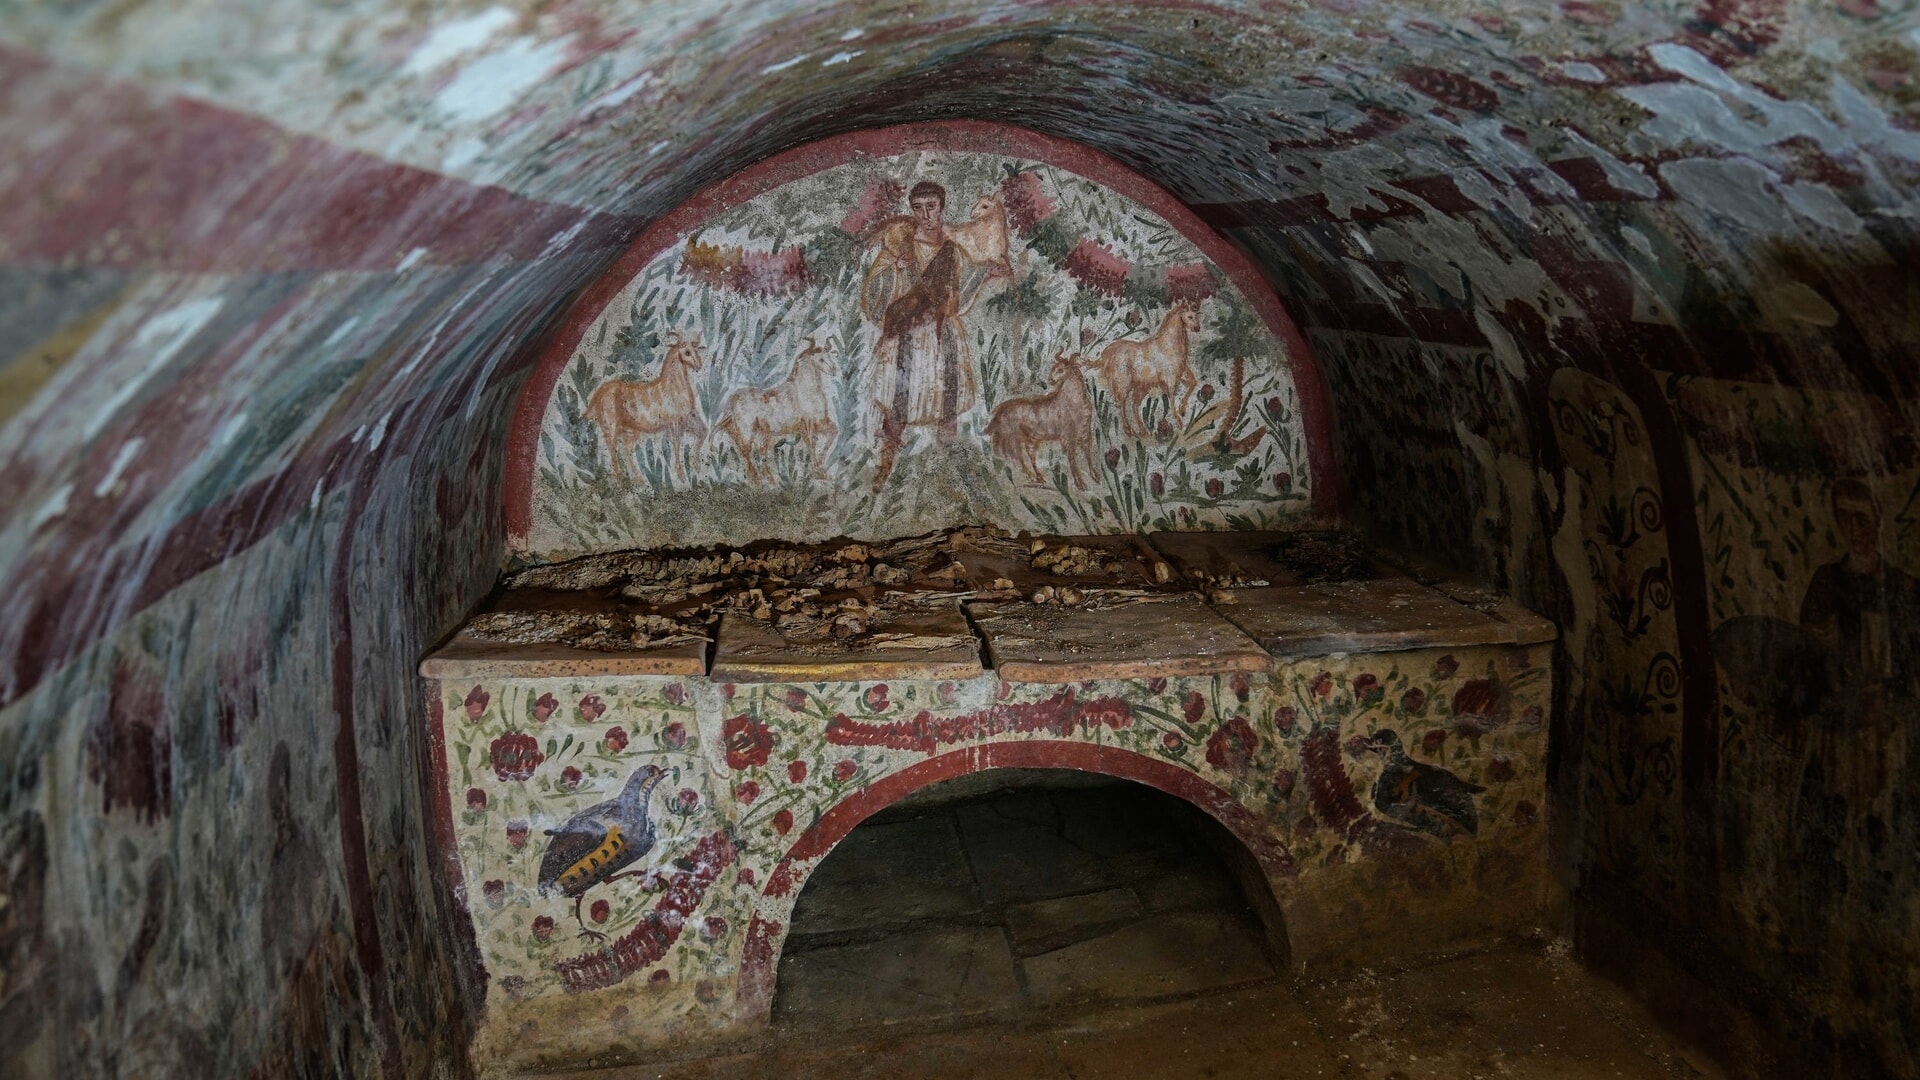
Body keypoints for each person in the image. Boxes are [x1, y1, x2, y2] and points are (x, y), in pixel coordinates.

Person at [860, 180, 1009, 489]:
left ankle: (948, 470)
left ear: (942, 208)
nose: (925, 215)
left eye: (931, 208)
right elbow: (874, 292)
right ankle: (884, 468)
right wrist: (897, 270)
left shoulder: (953, 247)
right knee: (898, 404)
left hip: (944, 336)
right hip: (907, 337)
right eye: (918, 209)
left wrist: (987, 273)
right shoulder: (900, 246)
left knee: (948, 404)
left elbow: (959, 293)